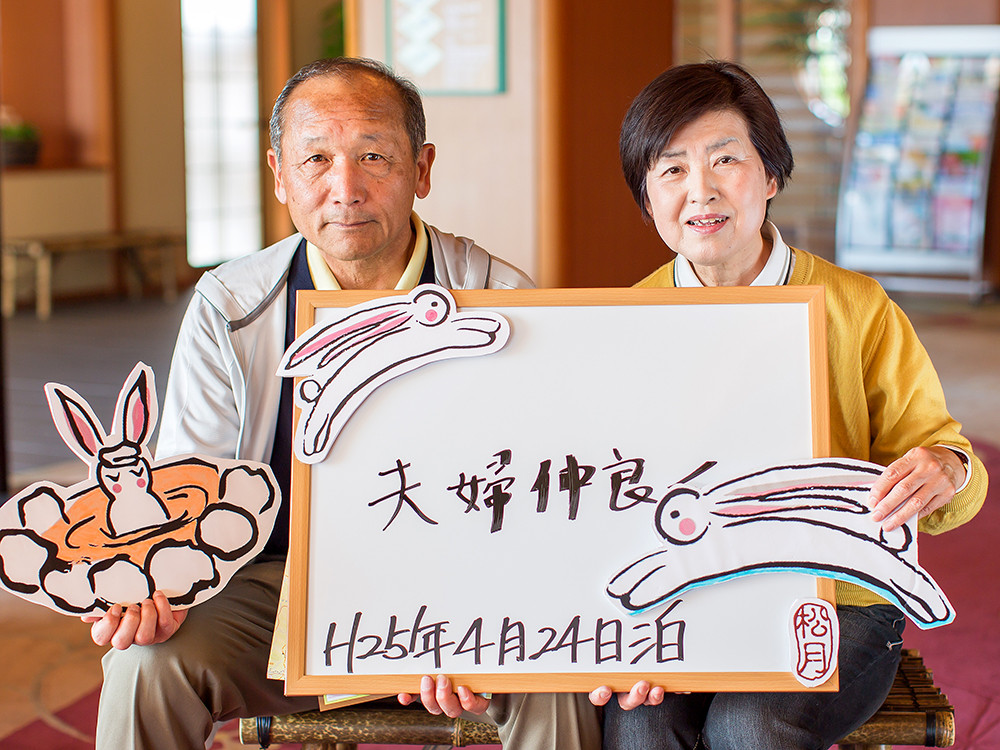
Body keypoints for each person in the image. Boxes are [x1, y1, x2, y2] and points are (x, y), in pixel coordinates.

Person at [86, 57, 601, 750]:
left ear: (422, 169)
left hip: (464, 585)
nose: (346, 189)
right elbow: (188, 490)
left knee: (558, 672)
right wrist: (155, 587)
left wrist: (473, 608)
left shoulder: (500, 299)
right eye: (317, 160)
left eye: (374, 157)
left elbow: (545, 493)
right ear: (280, 175)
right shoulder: (230, 307)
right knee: (145, 663)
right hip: (278, 590)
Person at [589, 60, 988, 750]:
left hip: (836, 595)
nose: (701, 190)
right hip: (683, 589)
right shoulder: (626, 320)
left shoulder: (857, 307)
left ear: (771, 176)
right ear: (646, 197)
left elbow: (945, 455)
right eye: (672, 169)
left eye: (725, 159)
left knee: (752, 725)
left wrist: (947, 468)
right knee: (639, 722)